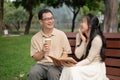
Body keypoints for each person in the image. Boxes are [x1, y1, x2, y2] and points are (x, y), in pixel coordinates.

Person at [60, 14, 109, 80]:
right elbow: (78, 55)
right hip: (86, 66)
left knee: (73, 70)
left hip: (95, 68)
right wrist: (83, 41)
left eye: (83, 22)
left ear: (90, 25)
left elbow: (89, 60)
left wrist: (75, 65)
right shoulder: (80, 36)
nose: (81, 24)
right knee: (66, 69)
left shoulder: (97, 39)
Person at [27, 9, 71, 80]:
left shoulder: (61, 34)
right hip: (41, 65)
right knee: (33, 73)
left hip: (56, 65)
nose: (50, 21)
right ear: (41, 22)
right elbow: (36, 58)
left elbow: (66, 52)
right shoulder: (35, 38)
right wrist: (43, 51)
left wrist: (60, 60)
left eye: (51, 18)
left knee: (52, 73)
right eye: (47, 19)